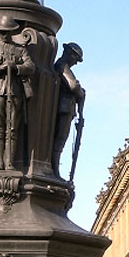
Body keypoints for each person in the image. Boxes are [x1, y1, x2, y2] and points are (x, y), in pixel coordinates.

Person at [0, 15, 35, 171]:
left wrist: (16, 68)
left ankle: (9, 161)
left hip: (14, 90)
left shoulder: (20, 49)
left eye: (8, 31)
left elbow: (31, 67)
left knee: (12, 128)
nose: (5, 34)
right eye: (2, 31)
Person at [52, 42, 85, 177]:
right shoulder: (62, 66)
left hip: (66, 107)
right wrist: (81, 92)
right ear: (70, 54)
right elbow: (73, 86)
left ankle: (54, 169)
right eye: (76, 59)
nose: (76, 63)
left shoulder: (61, 66)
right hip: (64, 108)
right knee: (60, 140)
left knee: (60, 140)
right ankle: (54, 170)